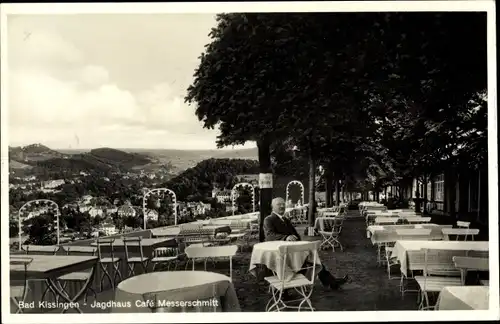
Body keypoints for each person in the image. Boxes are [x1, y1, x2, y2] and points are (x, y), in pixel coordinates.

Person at [263, 197, 351, 291]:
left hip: (293, 252)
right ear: (272, 207)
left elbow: (296, 234)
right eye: (278, 204)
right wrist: (286, 237)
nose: (282, 206)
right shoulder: (269, 220)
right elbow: (269, 235)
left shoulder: (285, 220)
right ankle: (331, 282)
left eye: (283, 204)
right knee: (312, 260)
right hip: (281, 256)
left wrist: (298, 242)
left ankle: (332, 282)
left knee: (314, 259)